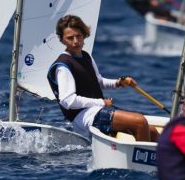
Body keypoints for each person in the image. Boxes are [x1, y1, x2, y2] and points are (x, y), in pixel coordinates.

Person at [46, 14, 157, 142]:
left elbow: (98, 81)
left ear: (84, 35)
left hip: (97, 109)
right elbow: (68, 101)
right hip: (82, 116)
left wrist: (118, 82)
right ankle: (140, 154)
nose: (76, 41)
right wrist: (101, 102)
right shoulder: (63, 66)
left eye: (79, 36)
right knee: (139, 122)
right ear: (62, 40)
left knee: (152, 131)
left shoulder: (86, 56)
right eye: (70, 38)